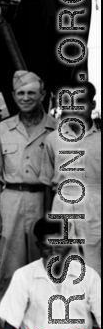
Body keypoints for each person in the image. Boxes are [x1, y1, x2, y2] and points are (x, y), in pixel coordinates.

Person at [0, 70, 57, 307]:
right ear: (14, 96)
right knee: (10, 264)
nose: (26, 98)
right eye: (21, 93)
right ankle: (9, 322)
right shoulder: (3, 129)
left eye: (31, 93)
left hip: (43, 202)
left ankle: (42, 319)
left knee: (45, 261)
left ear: (42, 95)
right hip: (11, 201)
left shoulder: (56, 129)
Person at [0, 218, 101, 329]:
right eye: (47, 247)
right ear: (38, 246)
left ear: (69, 245)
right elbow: (10, 327)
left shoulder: (88, 275)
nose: (53, 253)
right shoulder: (24, 276)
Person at [40, 81, 101, 277]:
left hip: (95, 209)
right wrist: (48, 220)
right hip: (61, 208)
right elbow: (47, 184)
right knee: (63, 267)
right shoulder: (52, 140)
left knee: (94, 266)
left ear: (92, 104)